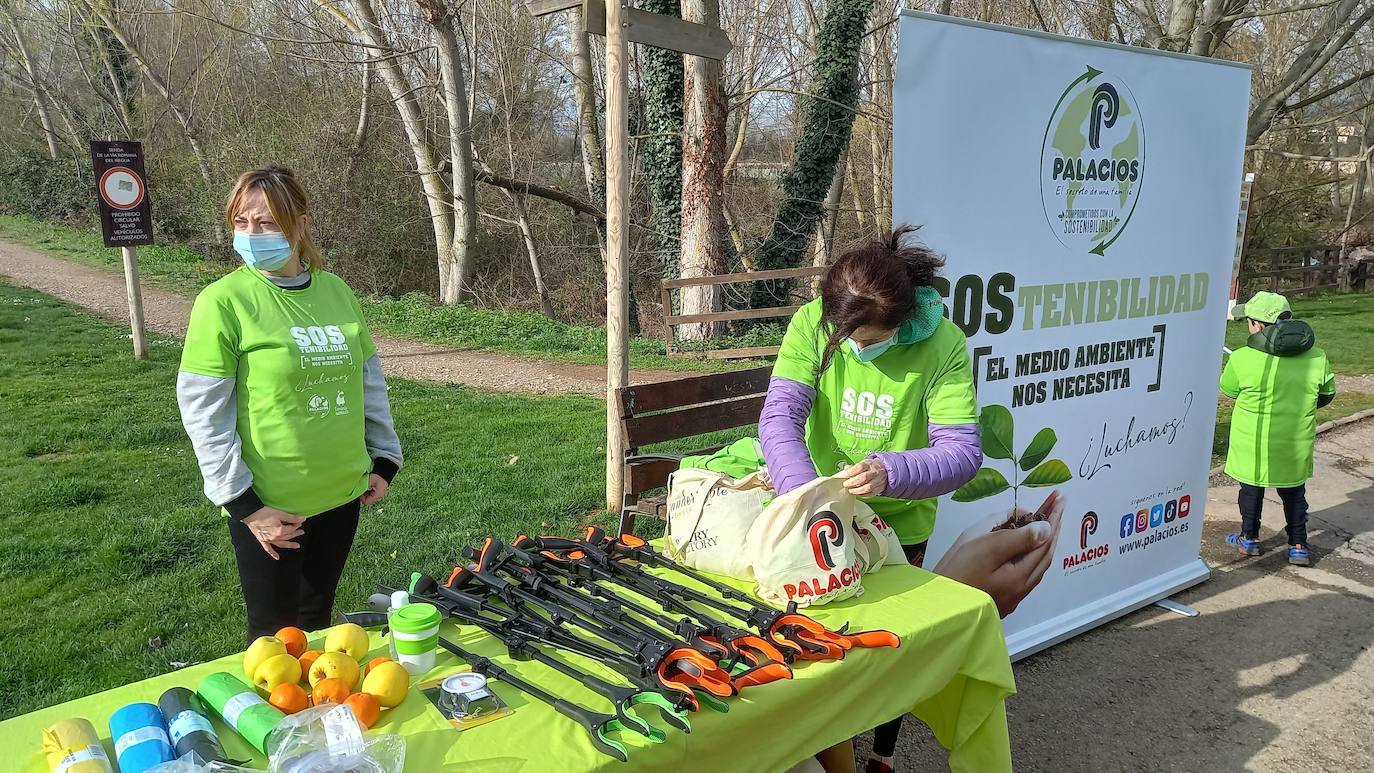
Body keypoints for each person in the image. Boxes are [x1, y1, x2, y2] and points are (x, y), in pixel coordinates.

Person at [760, 226, 1056, 773]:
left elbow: (962, 453)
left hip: (899, 522)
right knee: (827, 651)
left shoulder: (942, 344)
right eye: (849, 339)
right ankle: (835, 753)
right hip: (824, 521)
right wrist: (809, 500)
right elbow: (780, 420)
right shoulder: (811, 324)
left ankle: (883, 753)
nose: (858, 349)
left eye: (871, 341)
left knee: (892, 646)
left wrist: (890, 472)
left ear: (901, 324)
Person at [177, 166, 402, 642]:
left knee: (316, 621)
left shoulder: (337, 293)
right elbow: (203, 411)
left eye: (267, 223)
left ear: (299, 224)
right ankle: (278, 718)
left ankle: (317, 714)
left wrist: (384, 459)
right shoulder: (223, 302)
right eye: (242, 222)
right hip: (272, 506)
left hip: (343, 495)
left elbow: (368, 382)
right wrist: (244, 504)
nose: (252, 234)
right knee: (275, 640)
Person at [1221, 291, 1334, 566]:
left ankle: (1249, 539)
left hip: (1253, 438)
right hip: (1294, 439)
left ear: (1258, 325)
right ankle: (1298, 545)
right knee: (1294, 493)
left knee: (1250, 489)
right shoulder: (1316, 357)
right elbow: (1327, 393)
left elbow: (1229, 389)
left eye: (1249, 321)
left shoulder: (1242, 358)